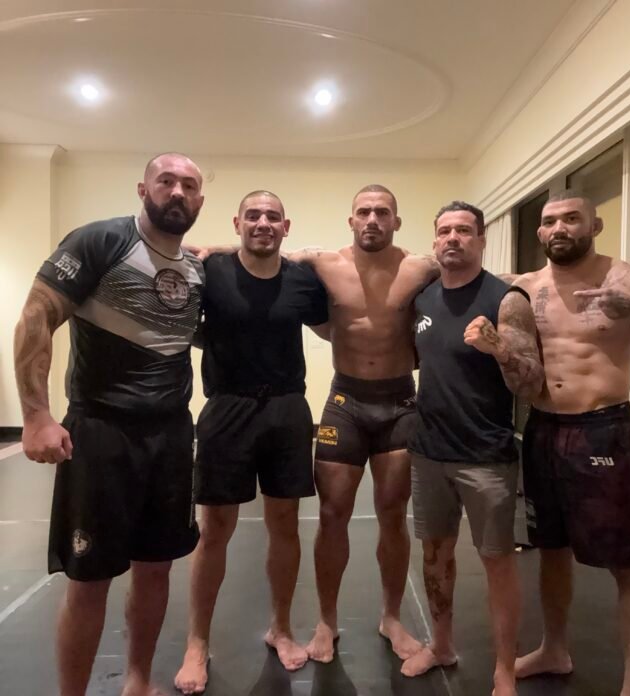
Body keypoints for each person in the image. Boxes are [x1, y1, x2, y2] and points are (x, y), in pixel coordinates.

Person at [190, 185, 440, 663]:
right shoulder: (323, 264)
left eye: (382, 212)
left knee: (393, 514)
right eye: (364, 211)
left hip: (399, 402)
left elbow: (469, 273)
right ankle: (326, 622)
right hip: (344, 401)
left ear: (396, 221)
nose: (372, 219)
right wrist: (212, 247)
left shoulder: (420, 267)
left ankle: (391, 617)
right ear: (351, 220)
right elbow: (266, 248)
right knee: (331, 514)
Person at [13, 153, 206, 696]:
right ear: (143, 189)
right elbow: (36, 317)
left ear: (199, 200)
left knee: (156, 568)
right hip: (101, 433)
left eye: (189, 185)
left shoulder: (196, 269)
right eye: (165, 181)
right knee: (90, 578)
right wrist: (35, 415)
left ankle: (138, 681)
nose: (177, 192)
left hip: (171, 435)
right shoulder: (99, 241)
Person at [512, 189, 630, 696]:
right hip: (542, 428)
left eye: (572, 219)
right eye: (551, 221)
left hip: (603, 429)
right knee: (550, 549)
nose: (559, 228)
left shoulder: (629, 280)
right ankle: (554, 649)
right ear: (540, 231)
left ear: (594, 226)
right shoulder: (526, 287)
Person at [174, 191, 328, 694]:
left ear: (286, 226)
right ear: (238, 222)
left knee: (285, 525)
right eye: (254, 216)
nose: (263, 223)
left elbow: (335, 326)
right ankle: (197, 642)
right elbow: (187, 320)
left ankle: (280, 628)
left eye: (273, 217)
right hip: (227, 408)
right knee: (214, 530)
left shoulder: (303, 278)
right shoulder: (211, 270)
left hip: (287, 409)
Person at [399, 202, 543, 696]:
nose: (453, 238)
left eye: (464, 230)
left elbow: (531, 382)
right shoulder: (423, 299)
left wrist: (499, 348)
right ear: (434, 240)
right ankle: (441, 645)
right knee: (434, 555)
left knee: (497, 562)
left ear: (481, 240)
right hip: (429, 451)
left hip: (486, 456)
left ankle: (505, 669)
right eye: (444, 230)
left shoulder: (506, 299)